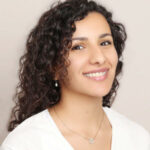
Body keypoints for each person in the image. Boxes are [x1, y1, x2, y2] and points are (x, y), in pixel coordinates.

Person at [1, 0, 150, 150]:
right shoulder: (25, 143)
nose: (99, 58)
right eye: (78, 47)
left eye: (105, 43)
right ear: (53, 66)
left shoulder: (138, 138)